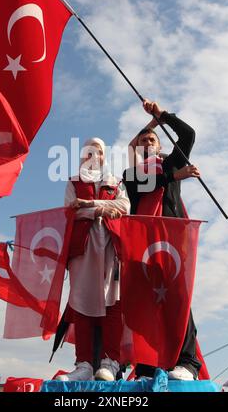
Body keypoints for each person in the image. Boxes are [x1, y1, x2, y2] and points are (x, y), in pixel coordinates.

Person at [123, 99, 201, 381]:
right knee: (146, 300)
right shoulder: (131, 174)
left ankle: (188, 362)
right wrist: (175, 176)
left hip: (172, 238)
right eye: (142, 140)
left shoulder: (169, 161)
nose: (146, 143)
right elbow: (146, 181)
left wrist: (163, 117)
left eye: (152, 140)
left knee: (178, 297)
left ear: (159, 146)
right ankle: (146, 364)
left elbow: (189, 135)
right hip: (142, 244)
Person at [56, 137, 130, 382]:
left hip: (110, 247)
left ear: (103, 156)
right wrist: (101, 209)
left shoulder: (115, 181)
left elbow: (124, 207)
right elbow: (69, 210)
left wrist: (90, 204)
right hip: (83, 249)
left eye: (97, 151)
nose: (92, 155)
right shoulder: (74, 181)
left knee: (112, 301)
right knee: (80, 302)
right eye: (88, 151)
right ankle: (84, 364)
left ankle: (111, 361)